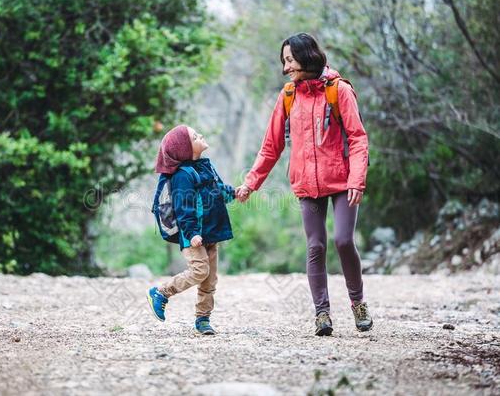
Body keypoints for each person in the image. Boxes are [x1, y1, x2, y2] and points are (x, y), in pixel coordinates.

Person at [235, 33, 373, 336]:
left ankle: (358, 303)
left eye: (289, 60)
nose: (286, 68)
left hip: (342, 181)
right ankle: (322, 314)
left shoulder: (339, 91)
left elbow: (358, 138)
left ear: (306, 56)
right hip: (306, 183)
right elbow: (271, 147)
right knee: (315, 246)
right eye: (284, 62)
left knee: (343, 241)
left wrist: (357, 180)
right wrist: (250, 183)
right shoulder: (288, 96)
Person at [147, 124, 235, 335]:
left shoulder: (205, 166)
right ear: (186, 149)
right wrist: (192, 232)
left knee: (210, 279)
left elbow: (217, 189)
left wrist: (235, 193)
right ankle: (161, 292)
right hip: (192, 235)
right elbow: (183, 207)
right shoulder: (182, 176)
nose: (201, 135)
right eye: (195, 136)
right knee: (199, 271)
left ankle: (203, 320)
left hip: (211, 231)